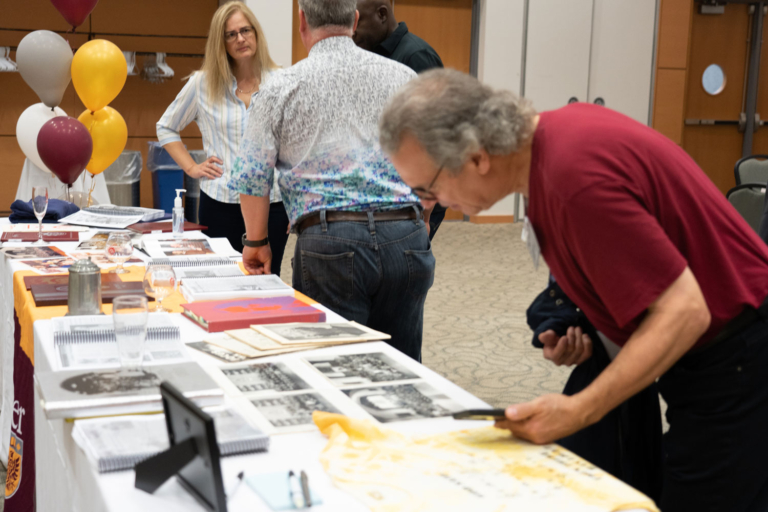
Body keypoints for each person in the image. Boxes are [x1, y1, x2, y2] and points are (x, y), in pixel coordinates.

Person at [379, 69, 768, 511]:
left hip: (739, 353)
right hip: (721, 348)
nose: (430, 203)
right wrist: (592, 327)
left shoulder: (573, 180)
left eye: (427, 188)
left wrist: (581, 409)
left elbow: (685, 311)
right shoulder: (552, 146)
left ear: (476, 156)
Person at [229, 0, 434, 361]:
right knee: (404, 371)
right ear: (354, 20)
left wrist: (257, 241)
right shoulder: (404, 78)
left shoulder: (280, 89)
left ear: (302, 21)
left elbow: (252, 177)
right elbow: (434, 159)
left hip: (330, 243)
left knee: (336, 369)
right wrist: (422, 216)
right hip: (405, 235)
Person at [156, 1, 291, 275]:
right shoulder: (202, 84)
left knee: (266, 285)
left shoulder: (282, 81)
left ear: (256, 33)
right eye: (231, 34)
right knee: (220, 281)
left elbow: (297, 146)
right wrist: (192, 167)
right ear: (222, 42)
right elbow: (166, 127)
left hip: (274, 206)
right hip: (219, 203)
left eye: (245, 30)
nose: (240, 38)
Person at [353, 0, 447, 240]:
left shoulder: (417, 57)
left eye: (357, 21)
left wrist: (425, 215)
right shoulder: (369, 55)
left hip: (414, 201)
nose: (352, 30)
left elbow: (435, 141)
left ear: (382, 15)